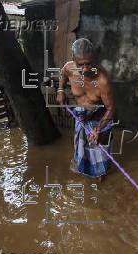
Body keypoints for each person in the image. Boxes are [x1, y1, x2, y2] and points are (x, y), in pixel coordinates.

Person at [57, 38, 115, 182]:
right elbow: (62, 75)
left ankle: (101, 176)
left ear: (94, 60)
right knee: (81, 148)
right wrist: (60, 90)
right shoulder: (68, 68)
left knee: (99, 153)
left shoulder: (102, 81)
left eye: (88, 64)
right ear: (73, 60)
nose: (84, 69)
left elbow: (111, 108)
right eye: (80, 64)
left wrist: (98, 129)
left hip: (100, 117)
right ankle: (84, 170)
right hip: (81, 115)